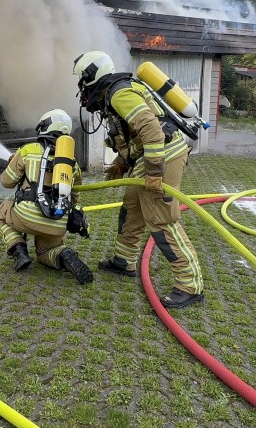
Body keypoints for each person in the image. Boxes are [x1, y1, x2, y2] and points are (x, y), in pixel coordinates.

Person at [72, 51, 204, 308]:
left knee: (161, 220)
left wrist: (154, 173)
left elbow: (152, 132)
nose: (81, 88)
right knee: (132, 209)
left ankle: (190, 284)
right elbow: (131, 137)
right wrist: (121, 164)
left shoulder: (119, 94)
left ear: (92, 76)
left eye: (82, 81)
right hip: (149, 157)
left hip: (162, 157)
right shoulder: (114, 95)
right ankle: (124, 262)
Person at [0, 108, 94, 284]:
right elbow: (74, 196)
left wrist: (13, 164)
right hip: (57, 222)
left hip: (26, 216)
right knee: (46, 253)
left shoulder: (28, 150)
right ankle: (64, 254)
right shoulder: (71, 162)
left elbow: (6, 182)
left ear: (45, 127)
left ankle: (19, 250)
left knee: (1, 212)